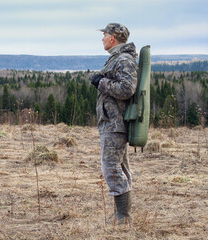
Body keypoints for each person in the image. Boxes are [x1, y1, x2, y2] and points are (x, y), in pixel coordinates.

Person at [90, 23, 138, 224]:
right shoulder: (117, 59)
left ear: (113, 38)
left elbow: (127, 89)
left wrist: (101, 82)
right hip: (112, 122)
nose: (102, 38)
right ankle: (121, 215)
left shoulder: (124, 60)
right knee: (119, 167)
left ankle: (123, 218)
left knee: (111, 167)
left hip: (115, 123)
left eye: (105, 34)